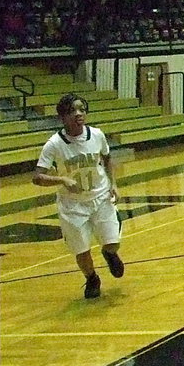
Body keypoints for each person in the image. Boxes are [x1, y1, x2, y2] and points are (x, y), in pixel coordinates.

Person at [33, 94, 126, 299]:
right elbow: (37, 177)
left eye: (82, 109)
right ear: (63, 117)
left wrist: (114, 184)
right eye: (73, 111)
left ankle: (109, 253)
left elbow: (107, 158)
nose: (79, 114)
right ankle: (92, 278)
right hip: (72, 205)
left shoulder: (97, 135)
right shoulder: (54, 144)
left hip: (100, 197)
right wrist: (62, 180)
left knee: (112, 242)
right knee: (81, 250)